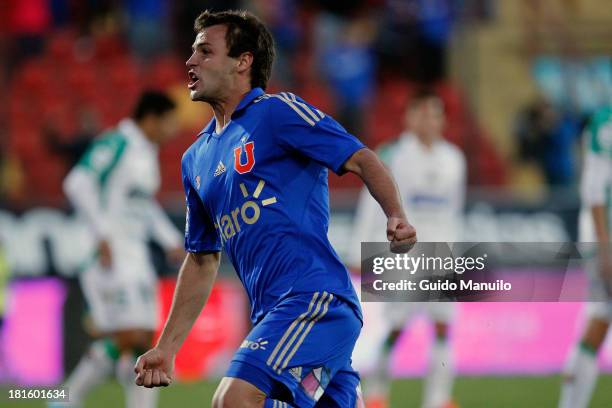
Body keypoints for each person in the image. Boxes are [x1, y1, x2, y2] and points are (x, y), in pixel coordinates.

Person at [133, 9, 417, 408]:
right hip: (274, 316)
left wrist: (395, 213)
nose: (190, 61)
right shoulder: (194, 159)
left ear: (243, 61)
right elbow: (201, 260)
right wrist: (166, 347)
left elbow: (362, 158)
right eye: (193, 52)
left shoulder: (278, 113)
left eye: (205, 51)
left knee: (232, 401)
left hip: (315, 301)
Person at [55, 91, 184, 408]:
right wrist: (102, 234)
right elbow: (78, 182)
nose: (172, 132)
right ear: (152, 118)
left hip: (135, 255)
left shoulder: (146, 152)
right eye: (169, 123)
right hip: (109, 255)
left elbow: (143, 206)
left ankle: (71, 399)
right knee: (133, 336)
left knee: (139, 339)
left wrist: (170, 241)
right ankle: (66, 399)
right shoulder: (117, 142)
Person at [349, 89, 465, 408]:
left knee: (443, 326)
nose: (429, 121)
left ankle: (439, 400)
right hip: (402, 255)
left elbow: (454, 210)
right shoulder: (392, 154)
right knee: (396, 328)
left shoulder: (455, 158)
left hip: (441, 255)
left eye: (435, 114)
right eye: (423, 114)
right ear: (409, 118)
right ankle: (377, 394)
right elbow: (371, 205)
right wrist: (362, 248)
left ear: (442, 119)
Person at [559, 106, 612, 408]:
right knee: (600, 317)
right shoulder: (606, 124)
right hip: (605, 236)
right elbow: (594, 187)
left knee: (600, 318)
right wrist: (604, 246)